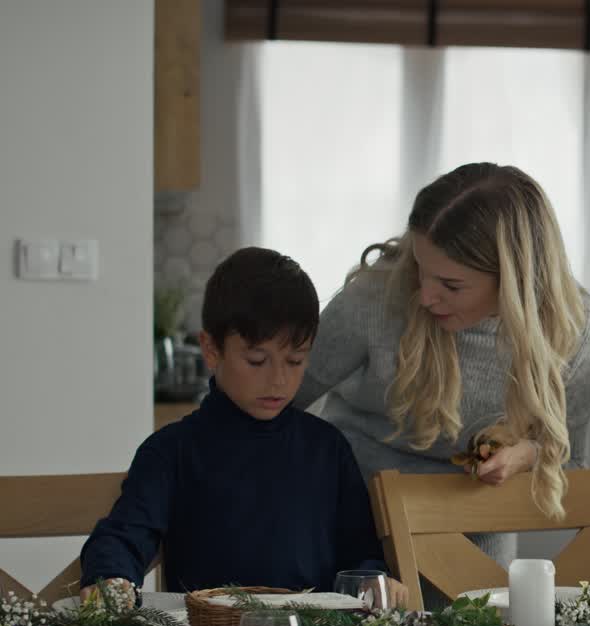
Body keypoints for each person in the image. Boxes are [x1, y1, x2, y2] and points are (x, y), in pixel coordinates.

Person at [293, 163, 590, 569]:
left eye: (451, 285)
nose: (425, 297)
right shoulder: (374, 299)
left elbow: (569, 457)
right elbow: (280, 398)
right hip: (348, 529)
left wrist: (524, 455)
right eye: (420, 270)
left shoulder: (576, 333)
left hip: (476, 542)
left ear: (514, 281)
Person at [80, 248, 407, 606]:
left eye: (295, 360)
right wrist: (110, 578)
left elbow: (361, 554)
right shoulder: (171, 451)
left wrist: (377, 581)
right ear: (211, 349)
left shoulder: (327, 447)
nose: (279, 379)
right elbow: (124, 536)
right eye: (256, 360)